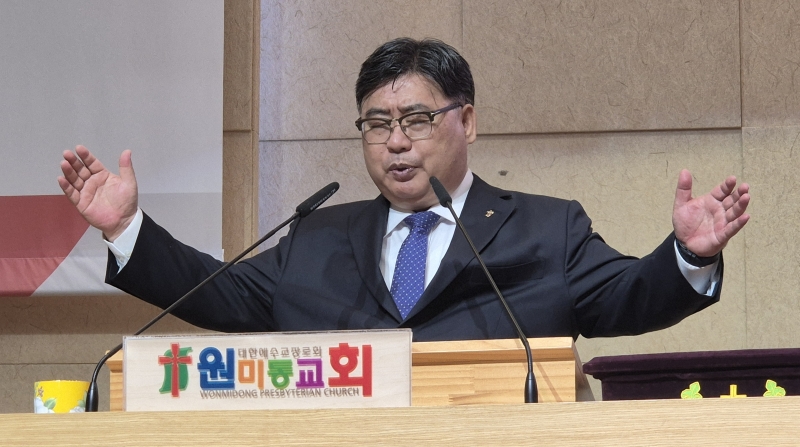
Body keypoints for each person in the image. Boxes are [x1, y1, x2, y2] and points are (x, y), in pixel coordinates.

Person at [58, 38, 750, 342]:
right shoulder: (317, 238)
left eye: (417, 120)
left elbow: (628, 298)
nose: (395, 142)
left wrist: (688, 255)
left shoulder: (548, 229)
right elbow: (219, 294)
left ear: (466, 122)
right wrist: (125, 229)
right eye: (377, 124)